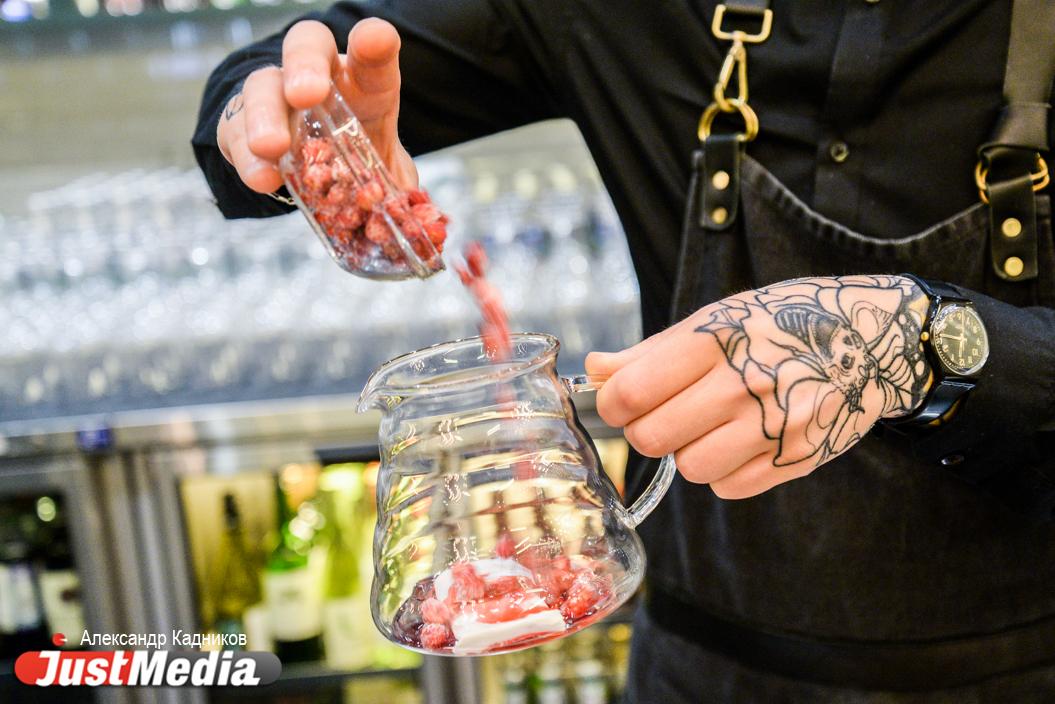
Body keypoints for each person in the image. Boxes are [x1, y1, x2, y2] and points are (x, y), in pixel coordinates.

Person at [192, 2, 1055, 701]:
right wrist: (289, 117)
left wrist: (929, 343)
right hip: (698, 666)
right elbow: (277, 76)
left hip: (1015, 669)